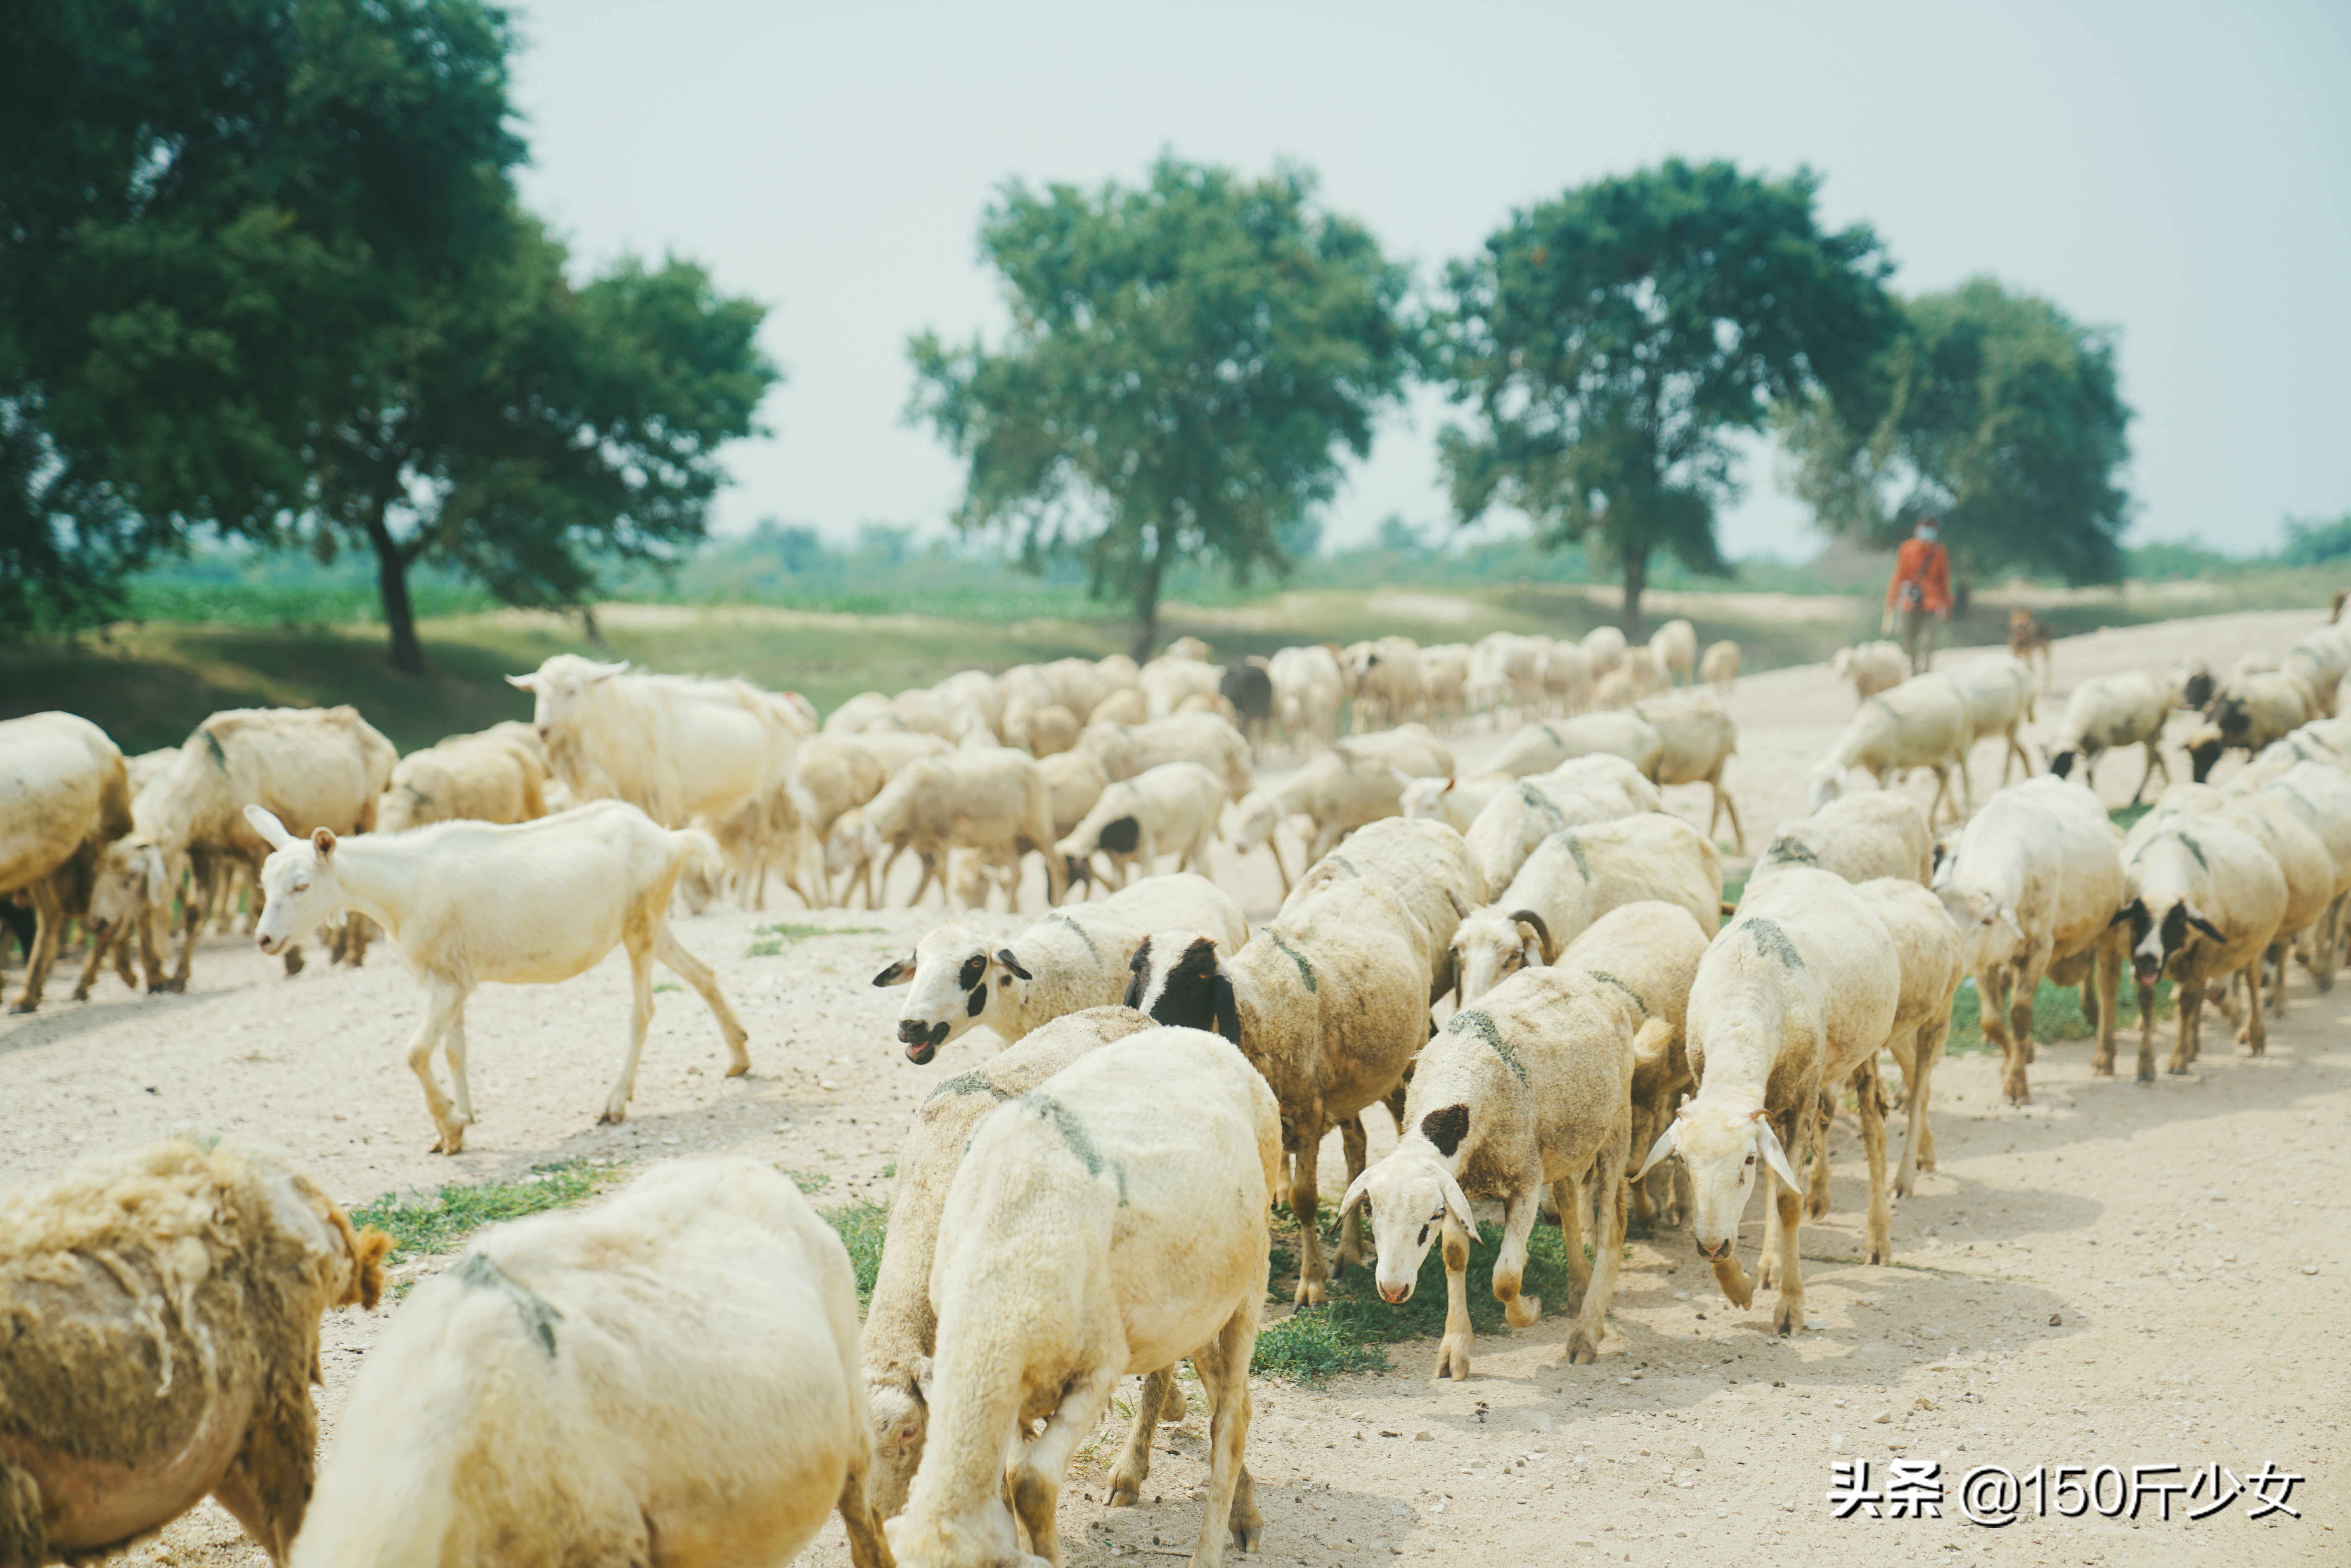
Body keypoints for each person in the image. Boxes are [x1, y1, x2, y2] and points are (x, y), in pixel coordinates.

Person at [1884, 517, 1951, 674]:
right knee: (1908, 639)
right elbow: (1899, 576)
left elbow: (1944, 579)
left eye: (1931, 529)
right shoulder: (1906, 548)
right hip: (1911, 602)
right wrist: (1891, 600)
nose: (1927, 532)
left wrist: (1947, 604)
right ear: (1917, 529)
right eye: (1925, 528)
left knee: (1929, 640)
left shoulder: (1940, 551)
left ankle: (1927, 672)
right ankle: (1914, 667)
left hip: (1932, 602)